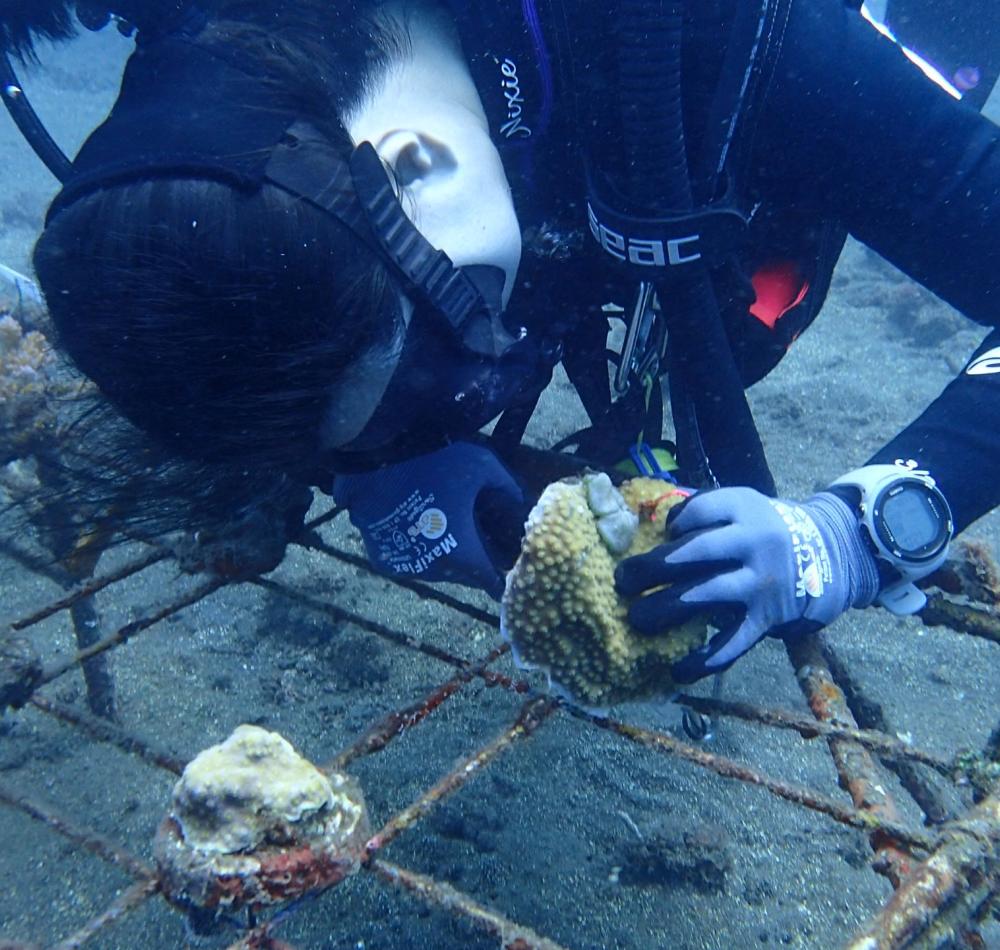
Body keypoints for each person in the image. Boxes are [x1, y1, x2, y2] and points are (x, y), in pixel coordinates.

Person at [2, 0, 998, 683]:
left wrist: (855, 532)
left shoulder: (712, 36)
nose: (452, 401)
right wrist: (360, 462)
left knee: (763, 299)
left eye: (420, 380)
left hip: (762, 110)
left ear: (416, 167)